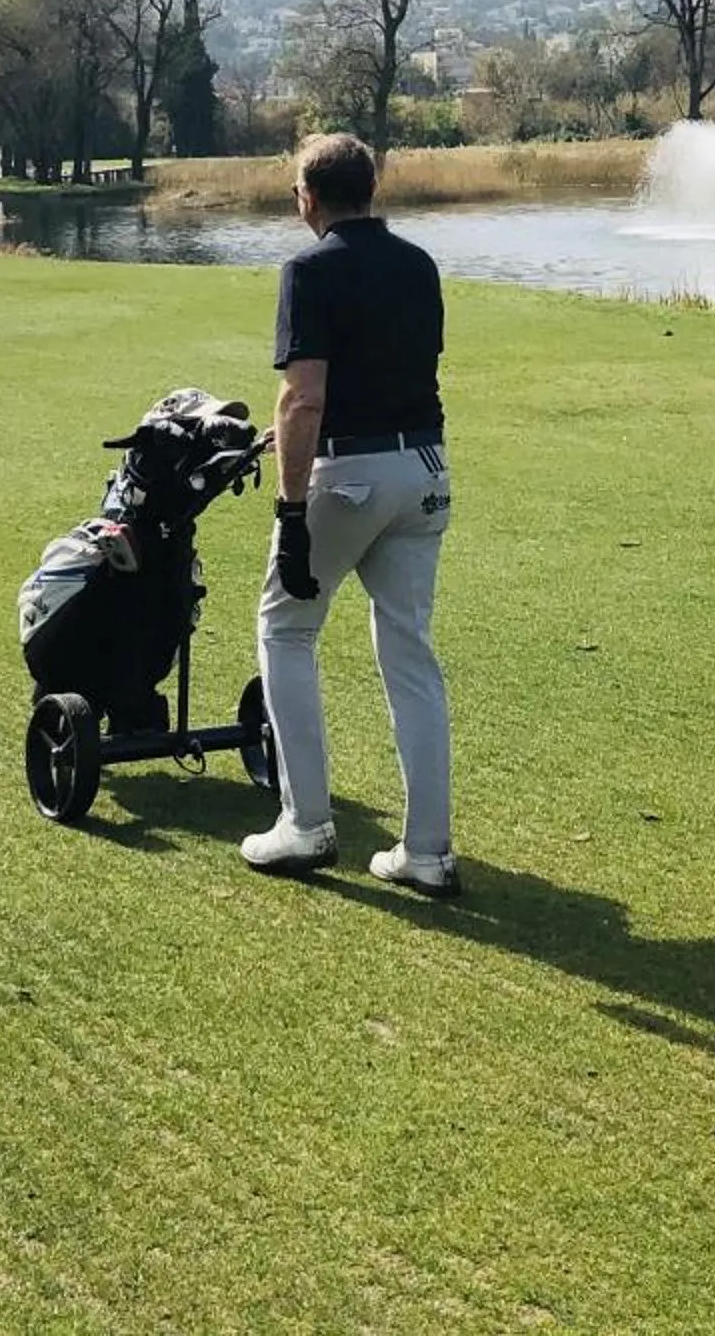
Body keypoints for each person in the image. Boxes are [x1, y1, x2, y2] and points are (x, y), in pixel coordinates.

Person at [241, 132, 460, 894]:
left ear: (309, 195)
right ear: (372, 188)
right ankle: (427, 853)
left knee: (286, 628)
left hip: (350, 476)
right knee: (410, 655)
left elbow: (305, 395)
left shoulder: (309, 267)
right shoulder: (418, 263)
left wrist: (291, 512)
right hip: (425, 469)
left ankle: (305, 825)